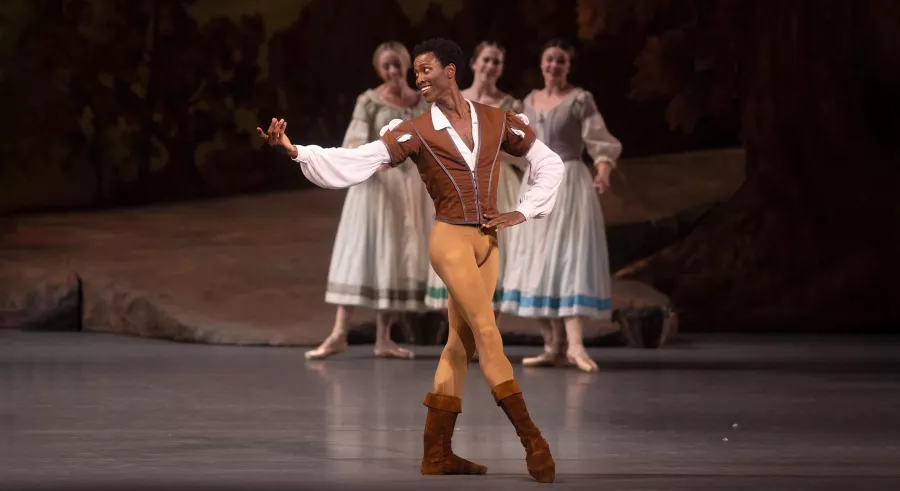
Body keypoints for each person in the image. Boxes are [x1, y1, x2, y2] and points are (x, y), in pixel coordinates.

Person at [258, 37, 564, 484]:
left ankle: (436, 453)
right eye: (415, 71)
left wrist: (524, 208)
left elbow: (548, 162)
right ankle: (532, 440)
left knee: (457, 346)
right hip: (450, 241)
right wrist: (295, 151)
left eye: (424, 70)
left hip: (489, 242)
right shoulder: (414, 130)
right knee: (485, 331)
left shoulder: (499, 121)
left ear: (450, 71)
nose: (417, 78)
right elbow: (360, 159)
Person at [500, 39, 623, 373]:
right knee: (535, 261)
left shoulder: (580, 100)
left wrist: (602, 171)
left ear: (568, 66)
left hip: (568, 182)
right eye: (549, 60)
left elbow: (601, 142)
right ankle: (552, 345)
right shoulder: (527, 102)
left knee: (567, 257)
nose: (554, 66)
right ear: (541, 64)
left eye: (561, 61)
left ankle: (576, 346)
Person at [304, 41, 431, 361]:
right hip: (376, 184)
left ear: (408, 66)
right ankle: (339, 332)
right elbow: (355, 142)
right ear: (379, 69)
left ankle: (384, 337)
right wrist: (381, 161)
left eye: (397, 65)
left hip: (408, 188)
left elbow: (429, 139)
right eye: (386, 66)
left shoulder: (421, 101)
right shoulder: (370, 101)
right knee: (361, 251)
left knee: (391, 257)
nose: (393, 71)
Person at [424, 41, 523, 333]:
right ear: (475, 63)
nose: (491, 66)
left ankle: (488, 333)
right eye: (486, 60)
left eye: (497, 62)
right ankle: (461, 333)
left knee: (492, 255)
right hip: (458, 183)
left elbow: (519, 149)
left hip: (497, 183)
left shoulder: (510, 105)